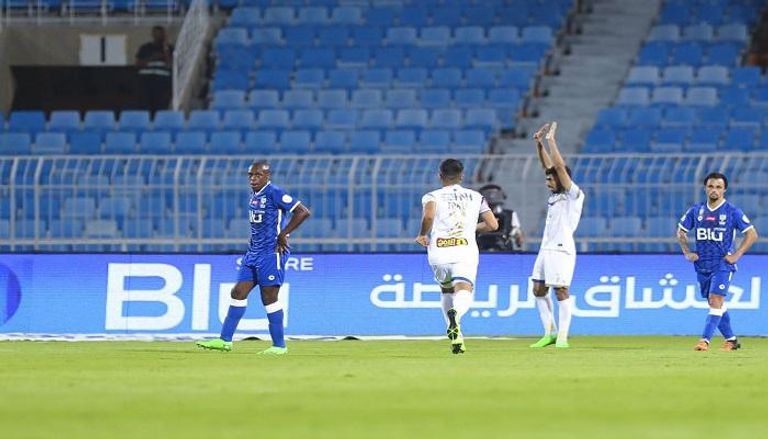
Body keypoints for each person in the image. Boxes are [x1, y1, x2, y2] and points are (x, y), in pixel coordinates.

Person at [197, 161, 311, 355]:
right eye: (250, 175)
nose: (253, 179)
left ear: (267, 176)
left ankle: (279, 346)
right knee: (238, 292)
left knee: (269, 297)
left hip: (271, 253)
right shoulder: (254, 196)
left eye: (257, 175)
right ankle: (225, 340)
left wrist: (283, 234)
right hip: (253, 253)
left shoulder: (275, 192)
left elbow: (303, 212)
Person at [415, 158, 499, 354]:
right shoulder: (476, 196)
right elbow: (493, 225)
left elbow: (428, 216)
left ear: (440, 175)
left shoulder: (431, 196)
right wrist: (472, 227)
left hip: (439, 251)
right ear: (461, 176)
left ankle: (456, 339)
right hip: (465, 250)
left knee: (446, 291)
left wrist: (422, 234)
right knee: (464, 289)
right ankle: (457, 315)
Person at [676, 172, 758, 352]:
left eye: (718, 187)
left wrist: (736, 255)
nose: (714, 190)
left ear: (724, 190)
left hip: (723, 264)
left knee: (715, 299)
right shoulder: (696, 211)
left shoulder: (732, 212)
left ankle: (704, 340)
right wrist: (687, 252)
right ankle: (732, 340)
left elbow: (752, 234)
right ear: (705, 188)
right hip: (702, 264)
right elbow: (680, 232)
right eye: (711, 186)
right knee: (715, 303)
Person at [529, 121, 584, 349]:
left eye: (551, 179)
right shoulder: (554, 196)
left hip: (562, 249)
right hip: (546, 248)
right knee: (538, 289)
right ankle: (549, 332)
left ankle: (562, 336)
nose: (547, 181)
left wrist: (552, 141)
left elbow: (559, 168)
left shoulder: (574, 194)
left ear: (562, 180)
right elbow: (550, 167)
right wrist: (539, 144)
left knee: (561, 290)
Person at [135, 26, 173, 115]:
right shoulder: (145, 48)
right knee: (145, 106)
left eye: (161, 34)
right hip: (145, 81)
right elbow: (137, 64)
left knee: (160, 106)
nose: (158, 36)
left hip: (162, 82)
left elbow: (170, 65)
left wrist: (166, 50)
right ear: (152, 34)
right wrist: (152, 58)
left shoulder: (169, 48)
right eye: (156, 33)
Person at [477, 183, 525, 251]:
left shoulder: (509, 215)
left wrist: (519, 237)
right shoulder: (476, 214)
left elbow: (517, 233)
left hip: (504, 250)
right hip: (481, 250)